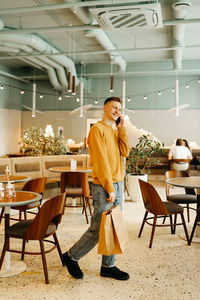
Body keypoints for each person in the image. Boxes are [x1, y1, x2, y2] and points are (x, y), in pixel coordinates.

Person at [62, 96, 130, 281]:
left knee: (113, 227)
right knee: (98, 228)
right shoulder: (97, 130)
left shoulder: (115, 130)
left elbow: (125, 151)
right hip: (104, 186)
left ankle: (108, 266)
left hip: (117, 184)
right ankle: (71, 256)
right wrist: (109, 188)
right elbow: (101, 162)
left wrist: (122, 129)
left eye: (120, 108)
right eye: (114, 107)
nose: (117, 110)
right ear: (105, 108)